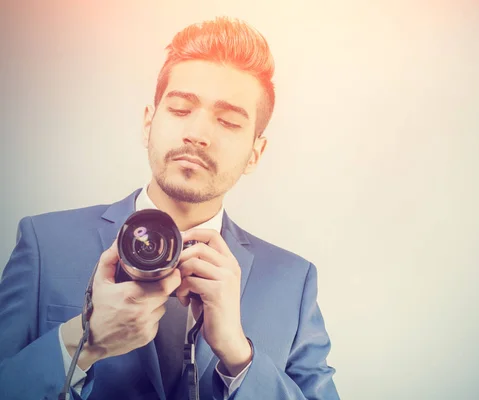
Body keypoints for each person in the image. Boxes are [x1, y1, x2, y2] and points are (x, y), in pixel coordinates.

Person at [0, 16, 339, 400]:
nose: (198, 134)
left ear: (255, 154)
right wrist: (81, 341)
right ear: (149, 123)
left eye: (228, 122)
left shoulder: (293, 283)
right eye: (179, 110)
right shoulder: (45, 244)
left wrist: (240, 358)